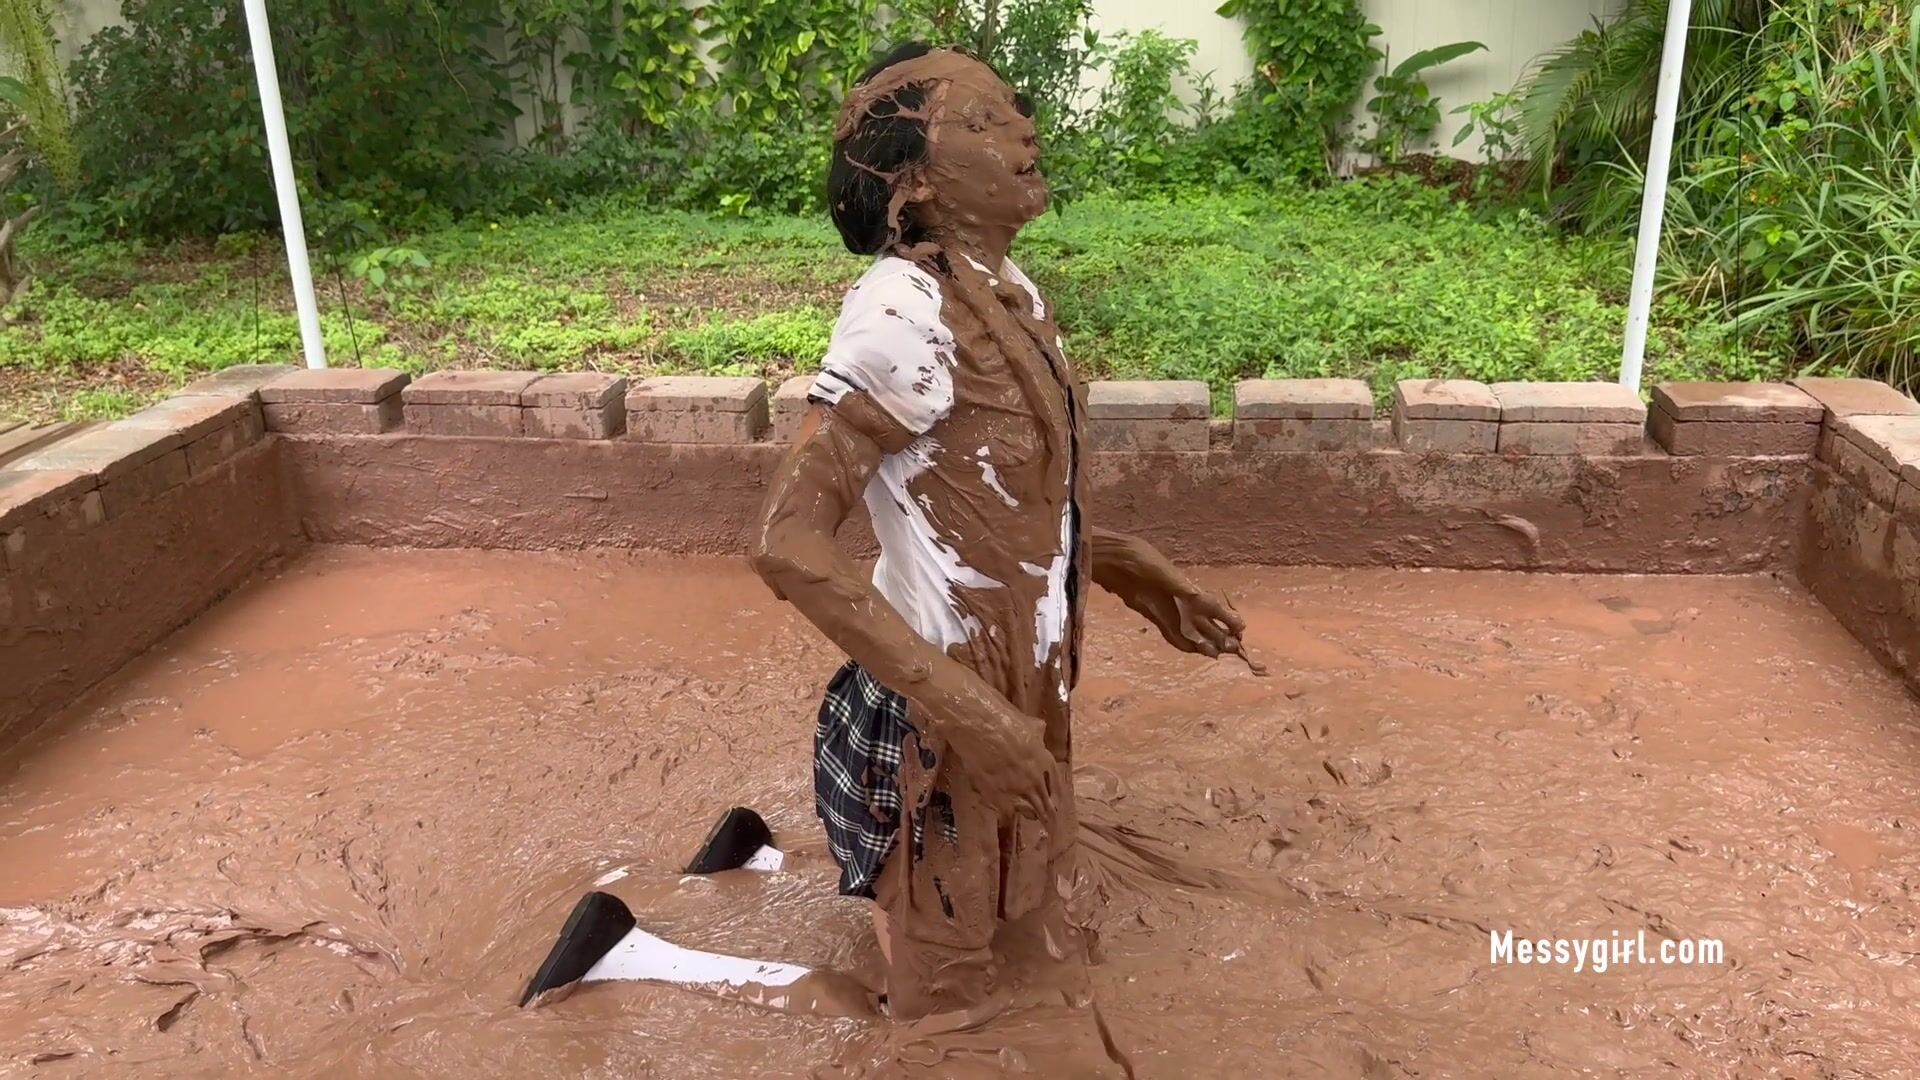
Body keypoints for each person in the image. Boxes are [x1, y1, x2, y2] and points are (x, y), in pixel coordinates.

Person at [750, 42, 1261, 1021]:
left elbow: (999, 503)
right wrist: (975, 719)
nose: (1024, 129)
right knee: (941, 1011)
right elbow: (786, 540)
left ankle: (832, 880)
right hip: (938, 724)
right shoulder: (903, 314)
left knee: (1030, 944)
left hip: (1021, 701)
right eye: (982, 122)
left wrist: (1124, 566)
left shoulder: (1008, 291)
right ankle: (653, 960)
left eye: (1013, 109)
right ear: (916, 185)